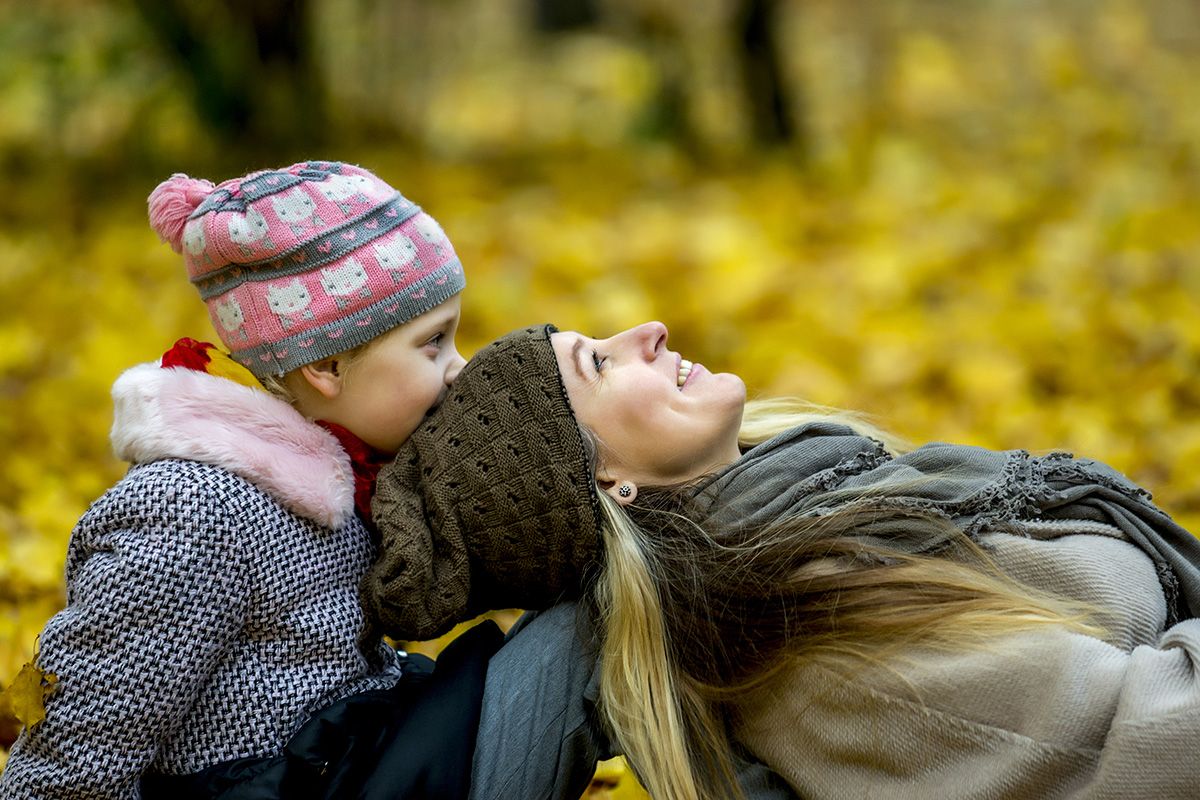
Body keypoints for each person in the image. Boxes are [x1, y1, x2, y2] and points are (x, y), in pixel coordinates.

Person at [364, 322, 1200, 800]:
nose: (647, 331)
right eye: (601, 363)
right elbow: (1153, 749)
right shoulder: (809, 636)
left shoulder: (833, 499)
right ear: (605, 480)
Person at [0, 160, 487, 798]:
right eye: (434, 343)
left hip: (355, 757)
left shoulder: (351, 476)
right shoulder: (194, 512)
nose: (459, 368)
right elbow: (87, 729)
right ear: (330, 365)